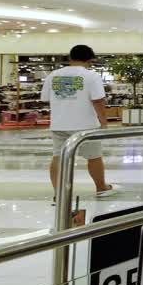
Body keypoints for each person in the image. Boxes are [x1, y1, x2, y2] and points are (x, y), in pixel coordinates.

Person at [43, 44, 119, 199]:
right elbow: (98, 100)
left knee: (58, 156)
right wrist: (103, 122)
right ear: (90, 59)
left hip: (59, 124)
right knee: (94, 156)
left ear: (70, 58)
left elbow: (45, 99)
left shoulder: (53, 75)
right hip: (86, 126)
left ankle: (59, 193)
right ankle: (101, 188)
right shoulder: (91, 76)